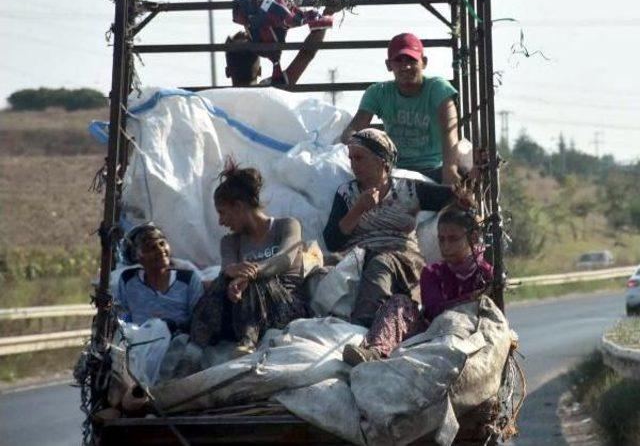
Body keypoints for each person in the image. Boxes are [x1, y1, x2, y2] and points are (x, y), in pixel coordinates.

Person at [322, 128, 454, 328]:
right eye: (351, 159)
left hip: (402, 261)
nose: (353, 165)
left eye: (360, 158)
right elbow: (332, 241)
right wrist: (358, 209)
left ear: (381, 161)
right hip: (359, 259)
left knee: (380, 264)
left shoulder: (407, 190)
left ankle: (363, 325)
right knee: (321, 274)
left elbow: (453, 197)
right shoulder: (347, 194)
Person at [342, 197, 493, 366]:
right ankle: (374, 351)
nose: (446, 246)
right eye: (441, 239)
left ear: (472, 238)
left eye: (453, 239)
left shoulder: (486, 274)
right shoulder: (432, 273)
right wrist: (472, 298)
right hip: (434, 332)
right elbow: (435, 310)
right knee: (399, 302)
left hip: (469, 334)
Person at [190, 161, 308, 357]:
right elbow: (228, 268)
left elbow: (284, 259)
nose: (221, 221)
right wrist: (232, 280)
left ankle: (248, 341)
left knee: (255, 278)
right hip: (243, 313)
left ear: (238, 206)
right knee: (221, 282)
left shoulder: (286, 226)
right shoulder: (229, 242)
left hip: (285, 308)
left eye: (222, 212)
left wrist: (252, 272)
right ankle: (192, 352)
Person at [340, 32, 460, 184]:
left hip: (433, 169)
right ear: (389, 65)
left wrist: (450, 169)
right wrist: (359, 150)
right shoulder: (378, 92)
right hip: (393, 171)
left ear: (424, 62)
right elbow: (354, 129)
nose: (406, 66)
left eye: (412, 60)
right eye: (399, 60)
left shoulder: (438, 89)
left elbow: (450, 130)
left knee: (456, 202)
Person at [225, 0, 339, 87]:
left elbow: (306, 55)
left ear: (227, 72)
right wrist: (326, 14)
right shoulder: (273, 88)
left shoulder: (215, 103)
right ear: (259, 70)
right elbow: (306, 54)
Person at [115, 223, 204, 332]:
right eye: (151, 248)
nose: (160, 250)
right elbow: (123, 315)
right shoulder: (128, 280)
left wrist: (173, 327)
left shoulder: (188, 279)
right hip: (140, 343)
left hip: (179, 344)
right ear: (137, 256)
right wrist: (127, 328)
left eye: (162, 243)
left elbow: (199, 319)